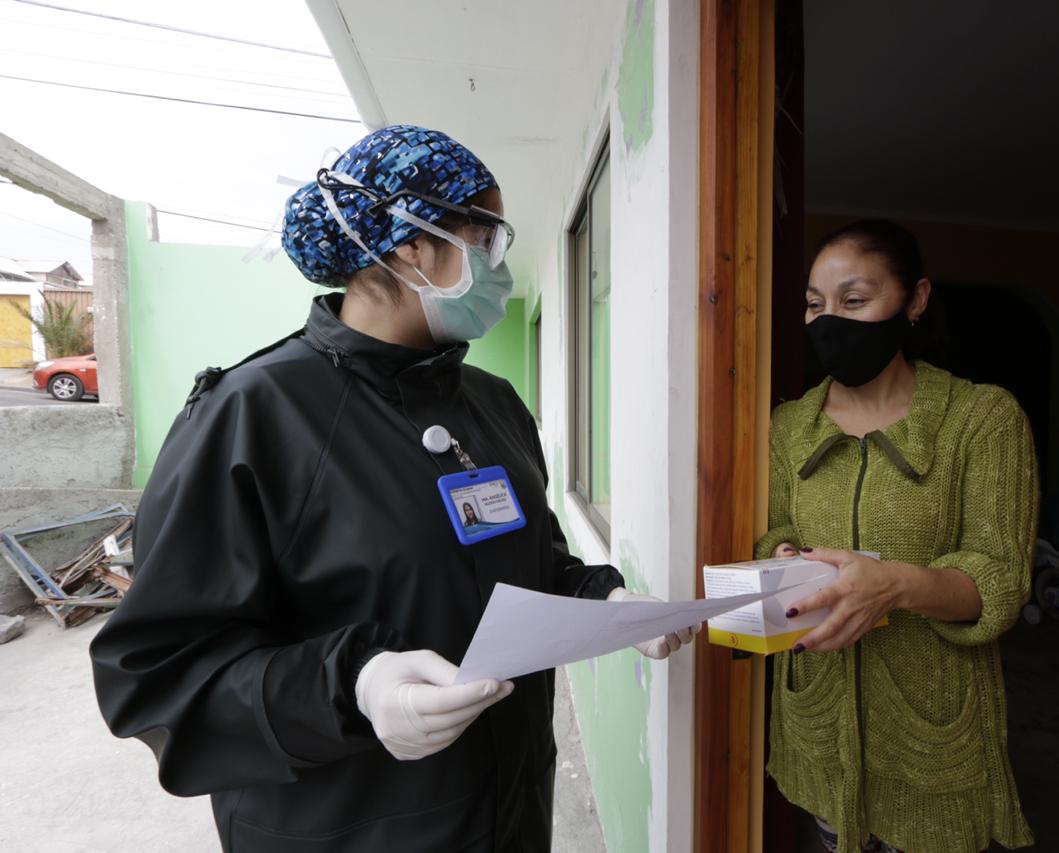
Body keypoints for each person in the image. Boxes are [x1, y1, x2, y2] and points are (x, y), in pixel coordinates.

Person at [90, 125, 695, 853]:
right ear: (413, 243)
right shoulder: (252, 414)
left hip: (508, 813)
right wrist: (356, 686)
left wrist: (605, 600)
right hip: (353, 829)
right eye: (487, 238)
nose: (500, 265)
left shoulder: (494, 404)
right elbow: (156, 674)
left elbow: (532, 563)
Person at [759, 220, 1037, 853]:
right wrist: (780, 558)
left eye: (855, 301)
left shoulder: (981, 420)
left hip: (933, 734)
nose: (830, 320)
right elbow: (773, 531)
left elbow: (1000, 581)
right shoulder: (787, 426)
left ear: (914, 300)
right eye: (815, 304)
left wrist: (898, 585)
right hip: (820, 726)